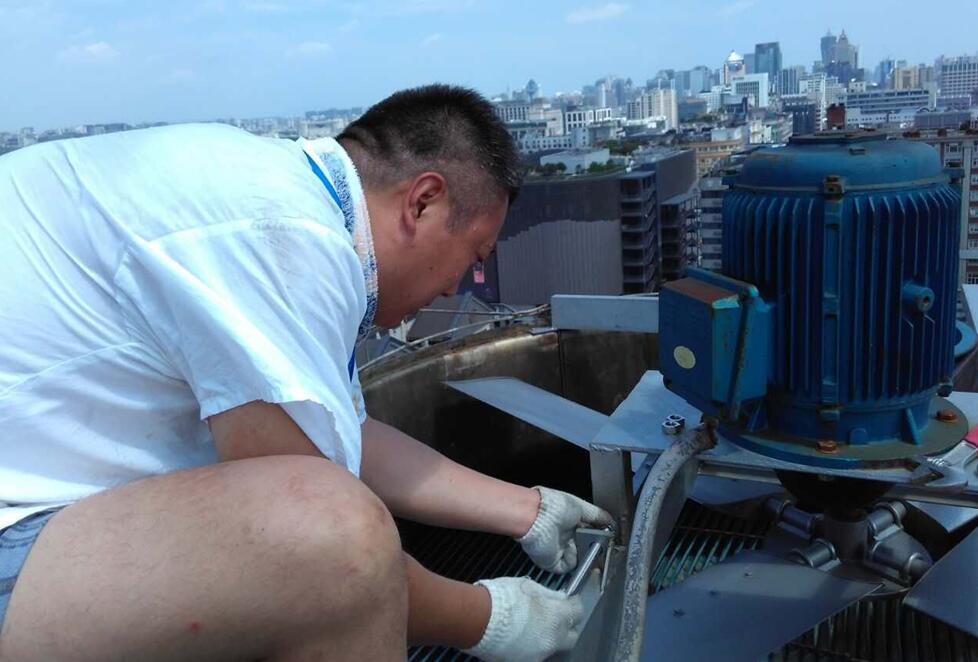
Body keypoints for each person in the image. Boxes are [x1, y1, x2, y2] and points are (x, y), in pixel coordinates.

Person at [0, 84, 612, 661]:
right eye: (474, 255)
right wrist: (492, 619)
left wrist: (526, 510)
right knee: (336, 529)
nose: (459, 285)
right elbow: (318, 537)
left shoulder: (283, 198)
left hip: (47, 515)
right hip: (16, 527)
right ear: (423, 202)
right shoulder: (282, 232)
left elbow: (342, 434)